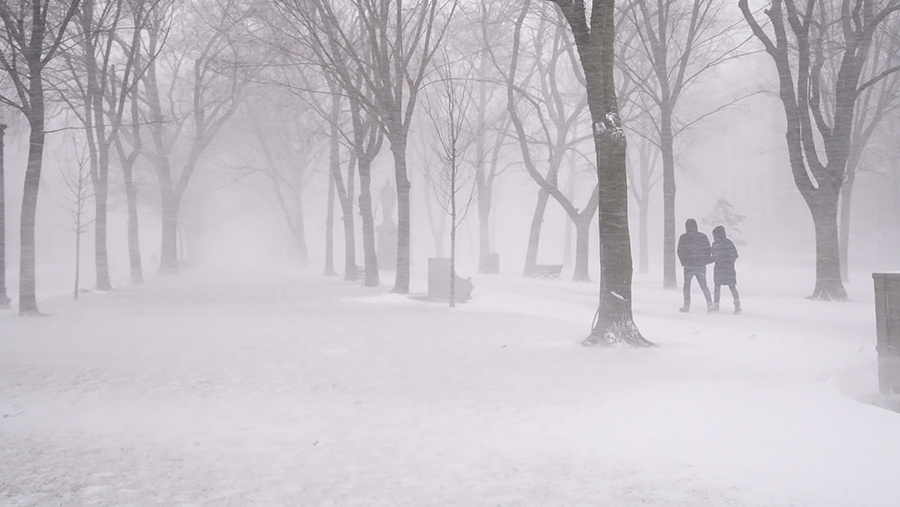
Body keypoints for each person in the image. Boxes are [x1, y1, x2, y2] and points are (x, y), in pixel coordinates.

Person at [677, 218, 713, 313]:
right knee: (704, 285)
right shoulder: (702, 237)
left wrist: (684, 262)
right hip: (700, 265)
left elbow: (679, 251)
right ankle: (710, 304)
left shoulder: (683, 237)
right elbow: (708, 250)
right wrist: (705, 260)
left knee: (687, 286)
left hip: (688, 266)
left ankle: (686, 306)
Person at [711, 225, 741, 314]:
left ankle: (716, 305)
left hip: (719, 268)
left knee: (717, 287)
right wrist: (730, 261)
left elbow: (714, 256)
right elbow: (735, 255)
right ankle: (737, 305)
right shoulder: (729, 243)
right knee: (732, 286)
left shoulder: (715, 244)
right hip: (729, 268)